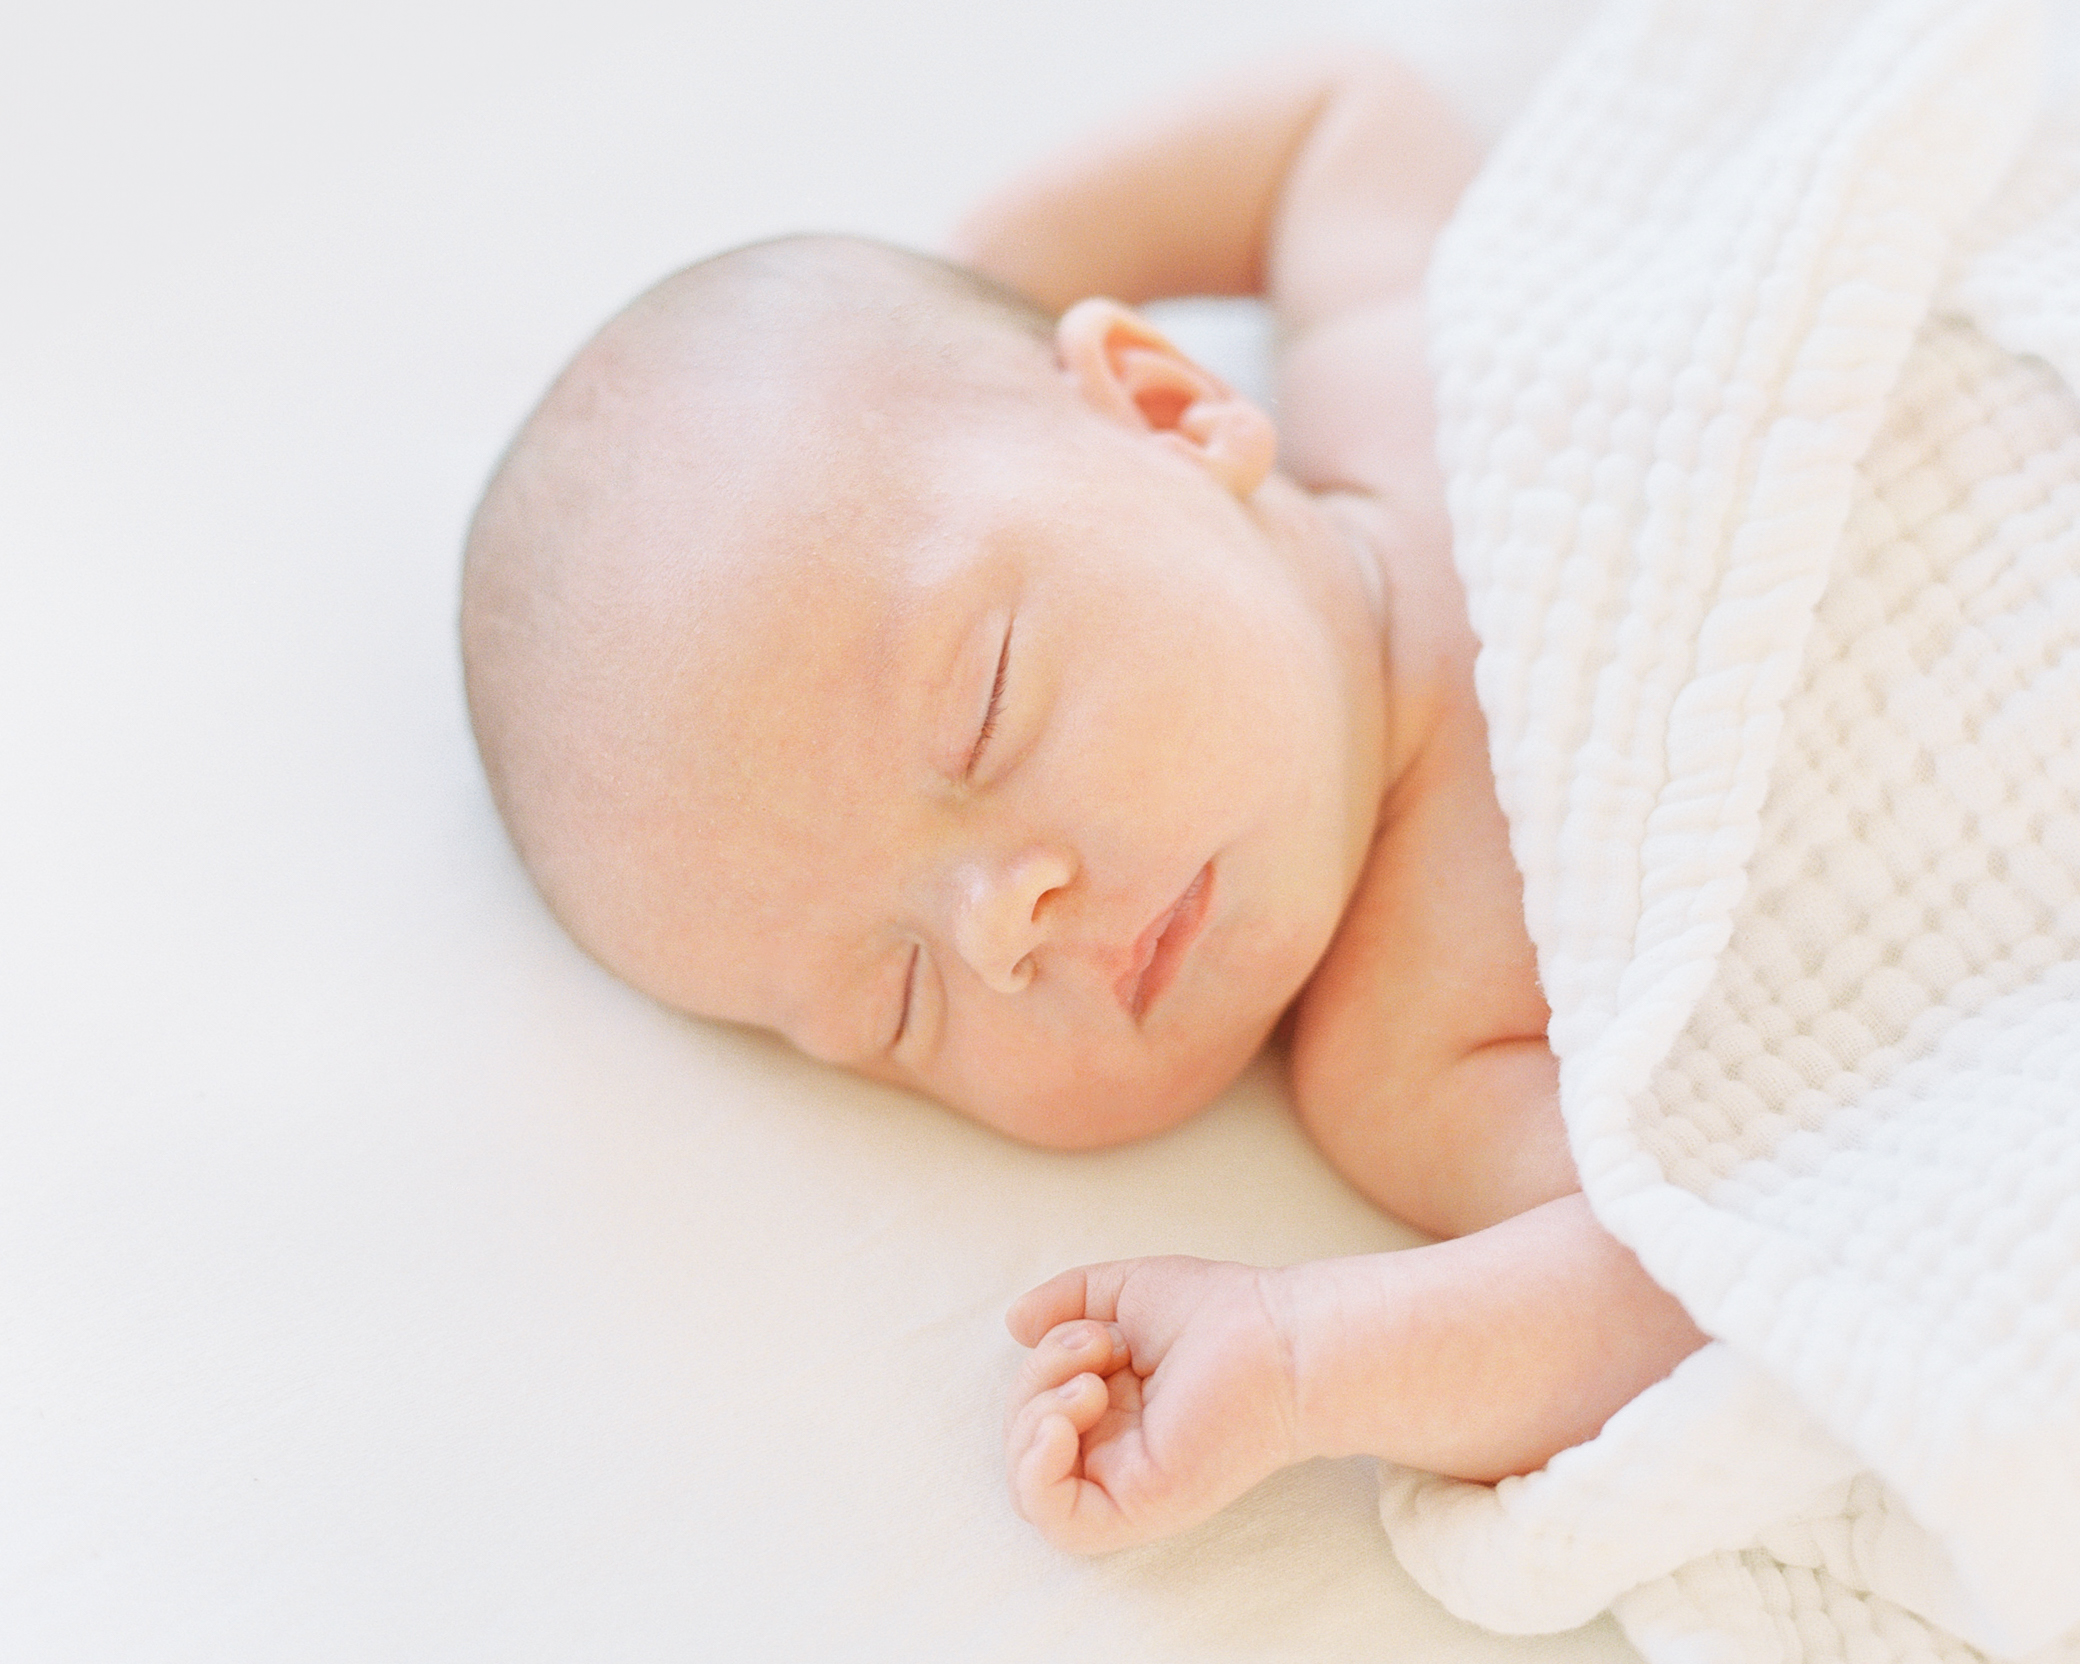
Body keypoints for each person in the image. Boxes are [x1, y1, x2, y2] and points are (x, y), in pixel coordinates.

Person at [459, 51, 1707, 1558]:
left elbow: (1339, 120)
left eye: (984, 710)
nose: (1001, 930)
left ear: (1173, 407)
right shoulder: (1409, 1061)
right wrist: (1306, 1359)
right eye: (899, 998)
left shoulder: (1411, 383)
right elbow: (1708, 1268)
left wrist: (976, 283)